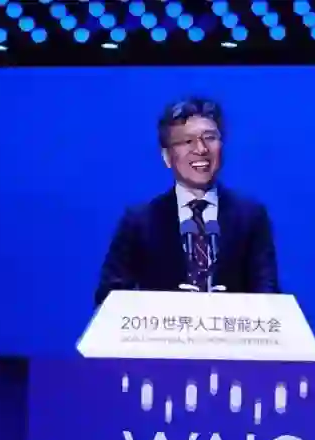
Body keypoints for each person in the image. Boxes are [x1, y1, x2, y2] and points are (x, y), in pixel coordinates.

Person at [95, 97, 280, 303]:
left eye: (210, 138)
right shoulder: (140, 221)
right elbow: (109, 296)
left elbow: (268, 295)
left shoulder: (250, 216)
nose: (201, 149)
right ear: (167, 156)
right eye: (187, 141)